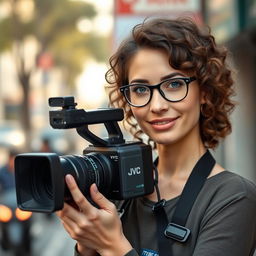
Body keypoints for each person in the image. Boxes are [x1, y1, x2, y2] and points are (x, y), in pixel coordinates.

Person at [56, 17, 256, 256]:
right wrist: (87, 246)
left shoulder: (232, 197)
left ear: (204, 91)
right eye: (140, 90)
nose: (157, 105)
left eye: (173, 85)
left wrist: (112, 245)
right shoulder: (119, 192)